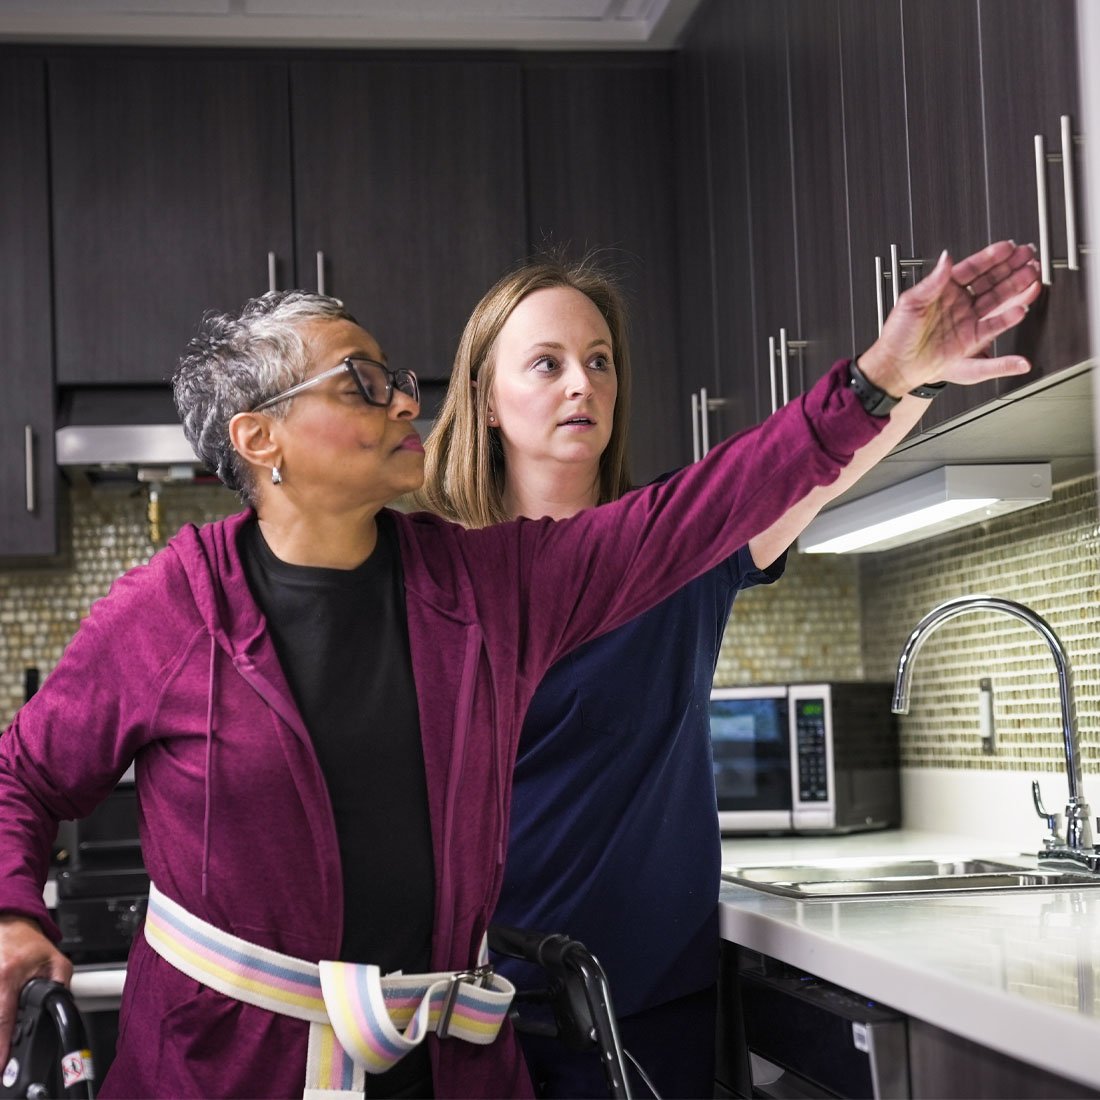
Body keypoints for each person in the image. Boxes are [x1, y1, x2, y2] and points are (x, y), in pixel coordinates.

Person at [0, 240, 1036, 1100]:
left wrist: (877, 380)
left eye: (397, 376)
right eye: (363, 382)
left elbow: (703, 507)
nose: (407, 399)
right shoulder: (170, 609)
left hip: (450, 1058)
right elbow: (23, 773)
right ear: (260, 438)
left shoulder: (486, 585)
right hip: (222, 1069)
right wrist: (13, 910)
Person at [416, 241, 1042, 1098]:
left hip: (651, 1000)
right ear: (486, 399)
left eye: (600, 361)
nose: (582, 384)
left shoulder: (681, 547)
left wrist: (913, 378)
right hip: (487, 1007)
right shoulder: (446, 584)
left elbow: (820, 472)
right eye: (548, 363)